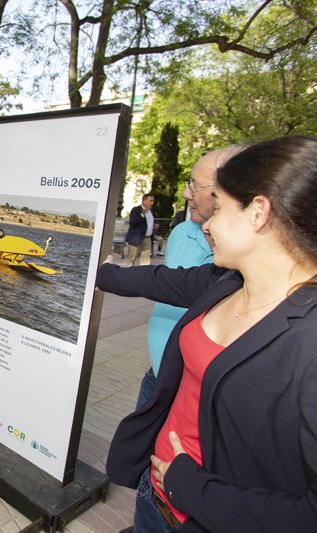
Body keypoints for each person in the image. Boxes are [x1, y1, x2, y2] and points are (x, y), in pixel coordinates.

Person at [98, 135, 317, 532]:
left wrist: (191, 487)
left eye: (222, 207)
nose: (209, 221)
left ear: (258, 213)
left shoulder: (308, 338)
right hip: (156, 493)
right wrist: (97, 274)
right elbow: (163, 280)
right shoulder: (229, 282)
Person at [138, 146, 245, 409]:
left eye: (194, 186)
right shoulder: (181, 232)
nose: (186, 194)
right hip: (156, 378)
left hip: (197, 398)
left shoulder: (248, 257)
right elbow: (163, 283)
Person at [125, 193, 155, 266]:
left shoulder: (151, 211)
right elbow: (133, 223)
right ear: (144, 201)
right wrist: (142, 214)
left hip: (147, 238)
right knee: (131, 260)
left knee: (145, 261)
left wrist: (154, 225)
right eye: (150, 201)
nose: (152, 203)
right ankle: (127, 275)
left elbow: (148, 222)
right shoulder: (136, 210)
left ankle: (142, 275)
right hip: (136, 239)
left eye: (153, 201)